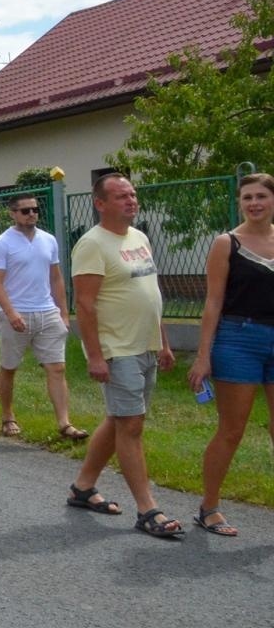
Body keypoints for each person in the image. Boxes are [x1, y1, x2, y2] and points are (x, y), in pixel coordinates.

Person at [66, 174, 182, 538]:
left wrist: (162, 341)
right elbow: (84, 305)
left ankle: (83, 488)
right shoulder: (92, 244)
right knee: (131, 426)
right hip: (117, 349)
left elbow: (151, 293)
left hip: (144, 344)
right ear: (100, 204)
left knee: (119, 419)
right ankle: (148, 509)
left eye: (132, 194)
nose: (131, 200)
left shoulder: (139, 237)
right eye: (120, 196)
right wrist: (95, 356)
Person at [188, 172, 274, 538]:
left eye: (261, 197)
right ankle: (209, 507)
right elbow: (213, 301)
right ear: (240, 202)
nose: (254, 203)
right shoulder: (227, 243)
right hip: (238, 340)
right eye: (247, 197)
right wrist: (203, 355)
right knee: (232, 430)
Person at [0, 194, 83, 440]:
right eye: (25, 210)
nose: (31, 214)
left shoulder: (48, 240)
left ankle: (64, 423)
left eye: (35, 209)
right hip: (15, 314)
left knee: (57, 368)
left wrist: (63, 313)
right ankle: (8, 416)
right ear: (12, 213)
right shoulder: (2, 243)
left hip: (47, 312)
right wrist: (11, 313)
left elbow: (56, 277)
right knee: (9, 367)